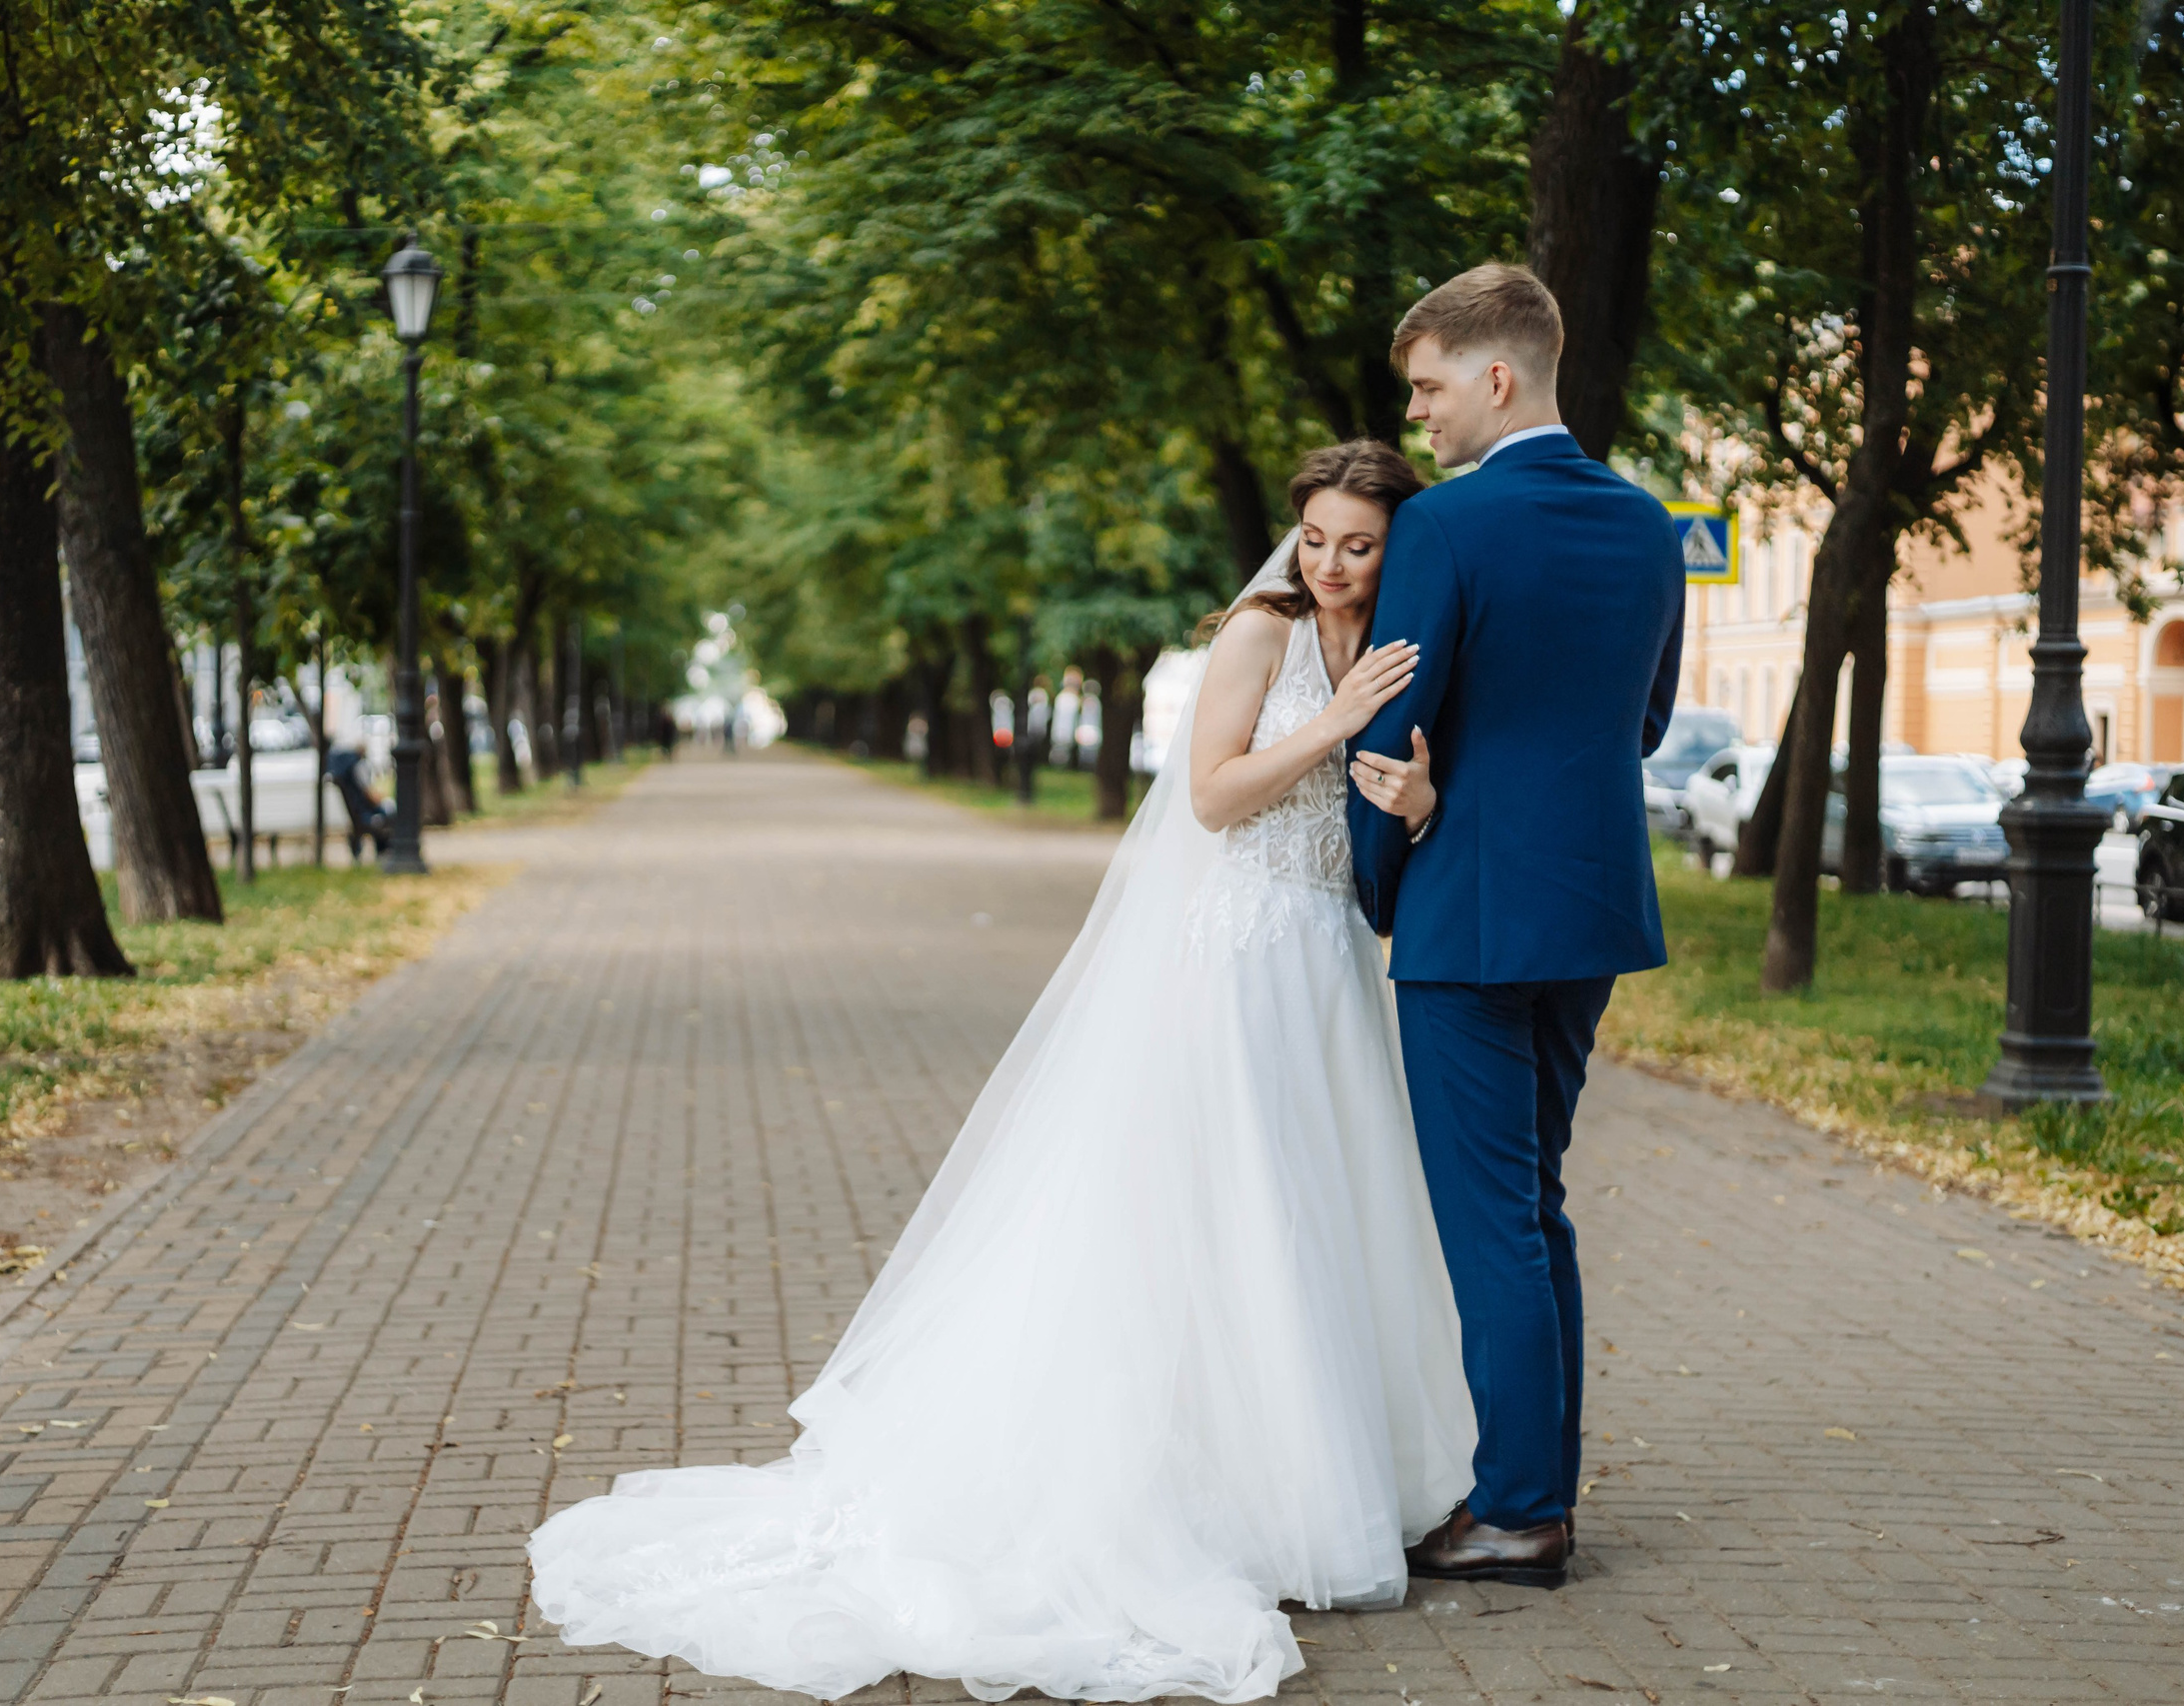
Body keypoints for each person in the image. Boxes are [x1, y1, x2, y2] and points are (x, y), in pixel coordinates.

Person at [527, 443, 1475, 1703]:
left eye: (1357, 543)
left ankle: (1322, 1488)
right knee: (1229, 1208)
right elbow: (1210, 798)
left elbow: (1392, 810)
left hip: (1328, 961)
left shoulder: (1401, 636)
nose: (1332, 564)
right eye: (1315, 538)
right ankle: (1211, 1501)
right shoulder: (1263, 633)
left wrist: (1411, 796)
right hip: (1235, 960)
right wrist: (1335, 723)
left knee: (1323, 1214)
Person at [1345, 265, 1685, 1588]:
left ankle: (1520, 1511)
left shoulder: (1446, 526)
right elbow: (1642, 724)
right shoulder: (1647, 522)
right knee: (1533, 1208)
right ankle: (1536, 1492)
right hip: (1590, 909)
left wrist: (1382, 884)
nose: (1420, 417)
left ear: (1499, 375)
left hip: (1468, 911)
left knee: (1490, 1218)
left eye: (1429, 387)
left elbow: (1392, 734)